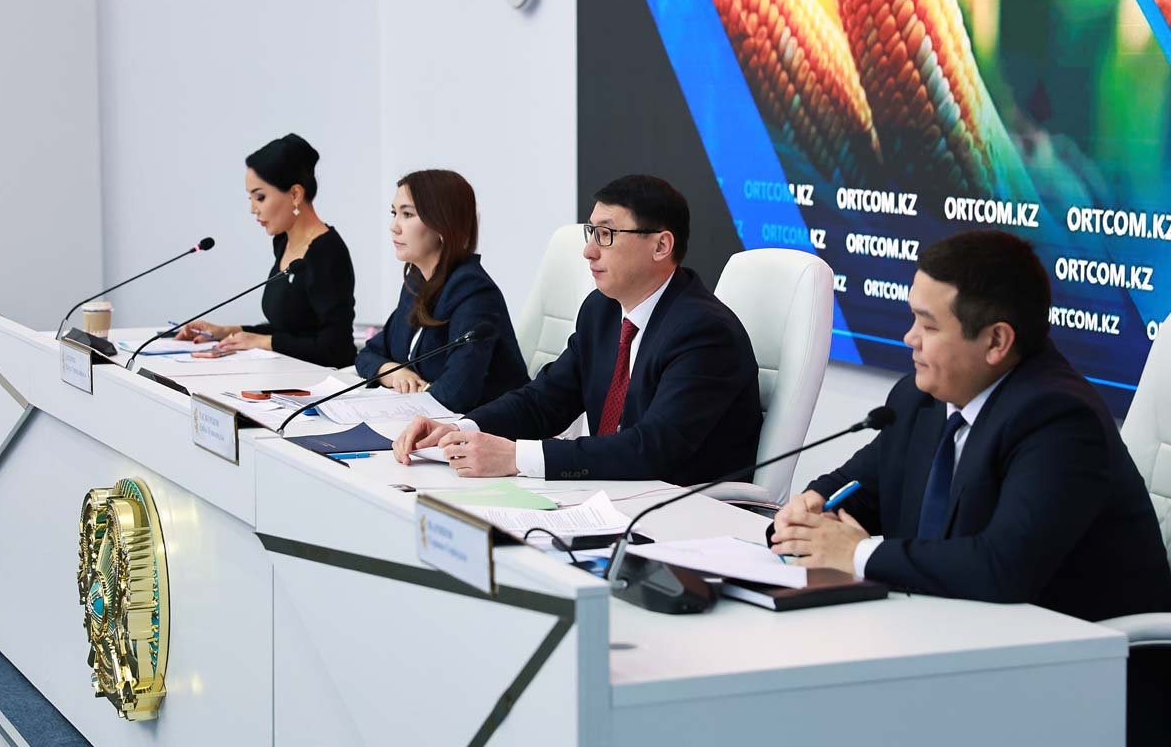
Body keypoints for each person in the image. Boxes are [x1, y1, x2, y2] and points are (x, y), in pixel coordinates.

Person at [770, 230, 1171, 622]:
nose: (909, 337)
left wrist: (856, 553)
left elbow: (1004, 566)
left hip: (1084, 651)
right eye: (913, 319)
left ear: (996, 342)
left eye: (929, 326)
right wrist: (808, 511)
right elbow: (858, 489)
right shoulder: (918, 400)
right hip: (951, 630)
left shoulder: (1059, 419)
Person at [392, 174, 762, 485]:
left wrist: (516, 457)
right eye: (591, 233)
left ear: (661, 245)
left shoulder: (704, 332)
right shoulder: (601, 311)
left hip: (682, 510)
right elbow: (544, 400)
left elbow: (652, 449)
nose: (589, 251)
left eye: (606, 234)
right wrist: (462, 429)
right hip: (610, 494)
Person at [354, 169, 528, 412]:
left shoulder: (474, 293)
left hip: (486, 425)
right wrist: (393, 373)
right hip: (429, 419)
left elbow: (456, 395)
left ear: (442, 224)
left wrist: (415, 391)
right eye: (394, 213)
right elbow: (368, 354)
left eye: (407, 214)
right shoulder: (416, 282)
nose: (394, 227)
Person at [176, 133, 356, 368]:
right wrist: (226, 332)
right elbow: (291, 330)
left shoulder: (327, 252)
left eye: (260, 197)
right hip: (287, 374)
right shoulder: (283, 241)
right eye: (250, 198)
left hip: (319, 383)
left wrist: (263, 342)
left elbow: (336, 350)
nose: (253, 209)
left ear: (295, 194)